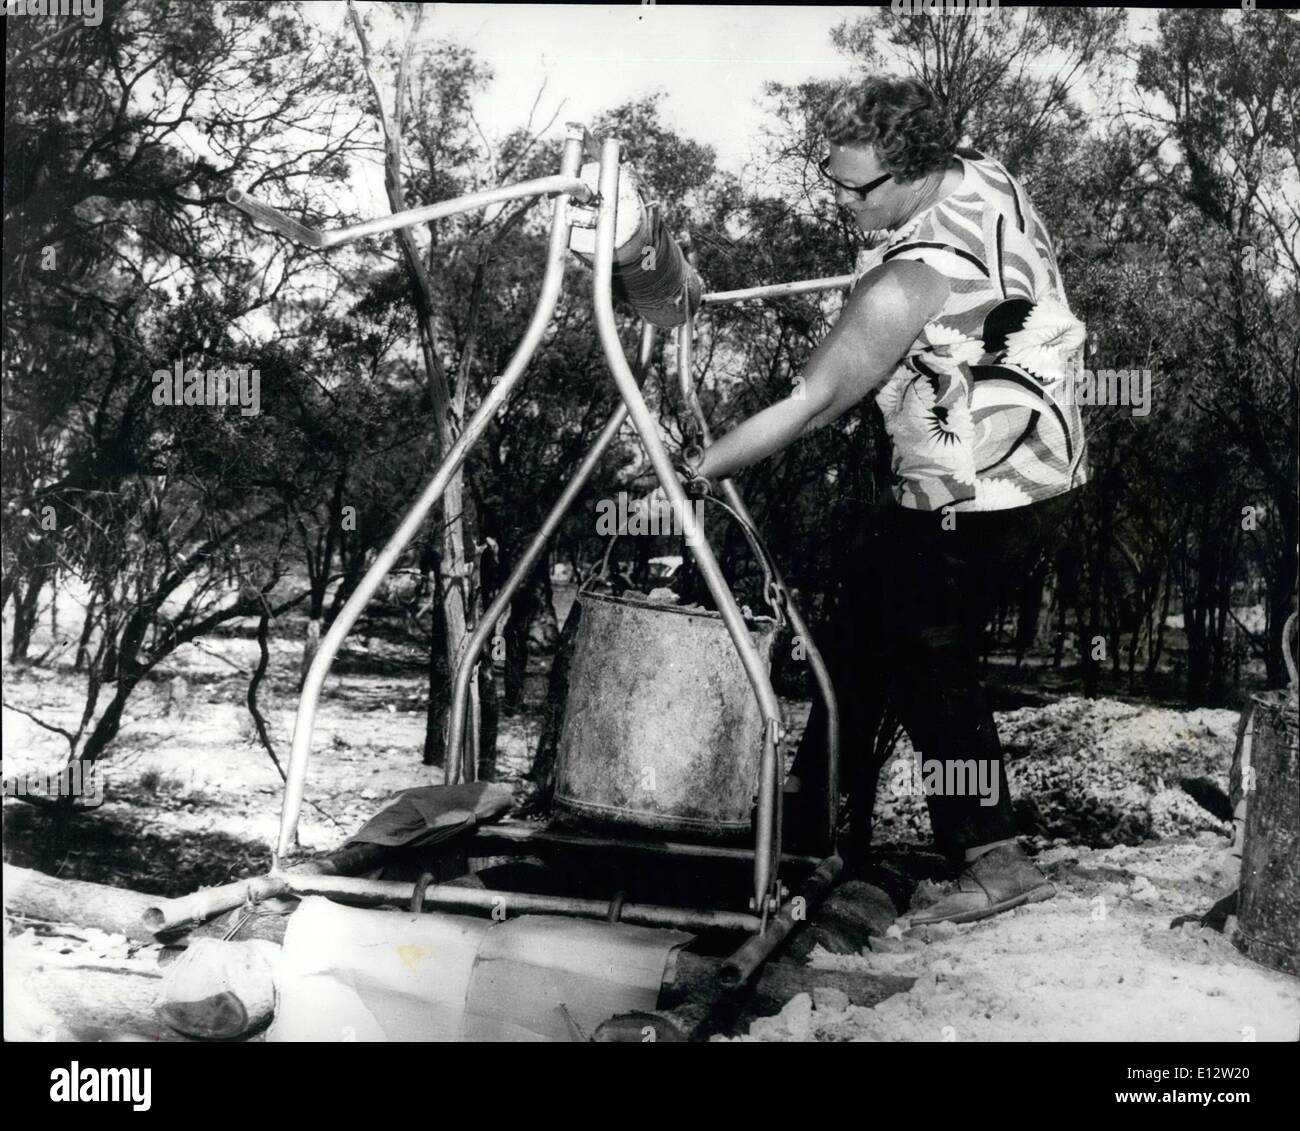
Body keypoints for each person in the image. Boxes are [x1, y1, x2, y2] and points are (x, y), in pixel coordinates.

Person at [677, 76, 1089, 924]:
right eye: (829, 177)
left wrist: (693, 468)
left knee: (925, 648)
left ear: (909, 171)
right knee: (859, 625)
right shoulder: (972, 167)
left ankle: (994, 858)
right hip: (1031, 455)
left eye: (854, 189)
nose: (838, 201)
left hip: (987, 485)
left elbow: (812, 401)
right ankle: (809, 824)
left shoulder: (914, 278)